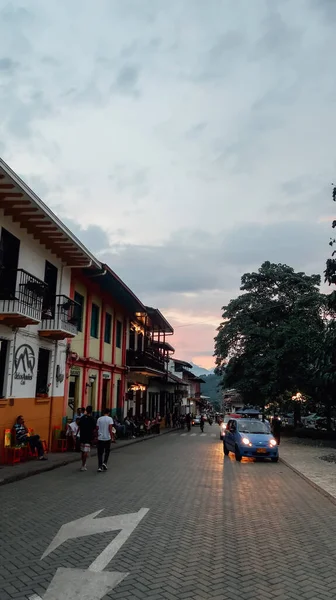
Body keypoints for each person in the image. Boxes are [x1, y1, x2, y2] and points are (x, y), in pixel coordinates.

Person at [78, 405, 96, 471]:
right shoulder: (92, 419)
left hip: (82, 436)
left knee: (82, 451)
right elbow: (94, 428)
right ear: (91, 411)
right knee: (85, 451)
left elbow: (79, 425)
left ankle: (83, 464)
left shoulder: (82, 418)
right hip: (88, 437)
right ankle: (83, 465)